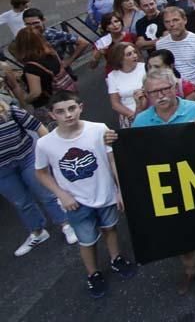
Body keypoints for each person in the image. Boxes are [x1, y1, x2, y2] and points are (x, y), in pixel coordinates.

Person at [133, 68, 195, 293]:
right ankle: (191, 268)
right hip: (167, 184)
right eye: (154, 92)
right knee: (179, 227)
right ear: (147, 94)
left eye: (165, 89)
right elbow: (134, 152)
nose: (160, 95)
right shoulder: (141, 121)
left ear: (174, 87)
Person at [34, 92, 136, 298]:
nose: (68, 115)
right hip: (76, 202)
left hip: (105, 193)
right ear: (52, 115)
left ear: (81, 107)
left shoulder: (99, 130)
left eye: (72, 108)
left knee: (110, 228)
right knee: (86, 240)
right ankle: (93, 273)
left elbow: (112, 160)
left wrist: (120, 190)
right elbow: (41, 173)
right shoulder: (45, 144)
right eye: (60, 111)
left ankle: (116, 259)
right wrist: (61, 195)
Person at [0, 99, 76, 257]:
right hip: (2, 169)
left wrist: (50, 151)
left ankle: (66, 224)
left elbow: (38, 127)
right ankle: (37, 232)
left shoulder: (11, 112)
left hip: (27, 156)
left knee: (45, 193)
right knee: (21, 202)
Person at [14, 26, 77, 122]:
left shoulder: (31, 67)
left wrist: (25, 100)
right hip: (66, 97)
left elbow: (36, 93)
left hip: (49, 105)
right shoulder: (52, 53)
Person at [155, 7, 195, 101]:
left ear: (185, 20)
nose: (172, 24)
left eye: (175, 20)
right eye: (167, 22)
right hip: (174, 94)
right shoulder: (160, 44)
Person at [20, 7, 91, 68]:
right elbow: (13, 48)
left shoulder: (55, 34)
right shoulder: (26, 36)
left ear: (43, 20)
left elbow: (83, 43)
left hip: (58, 71)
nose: (32, 27)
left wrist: (69, 61)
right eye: (28, 24)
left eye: (35, 23)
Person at [105, 43, 145, 129]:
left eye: (134, 52)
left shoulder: (145, 67)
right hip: (128, 114)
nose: (134, 56)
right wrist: (133, 116)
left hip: (148, 108)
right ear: (120, 59)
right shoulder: (112, 76)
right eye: (129, 54)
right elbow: (115, 104)